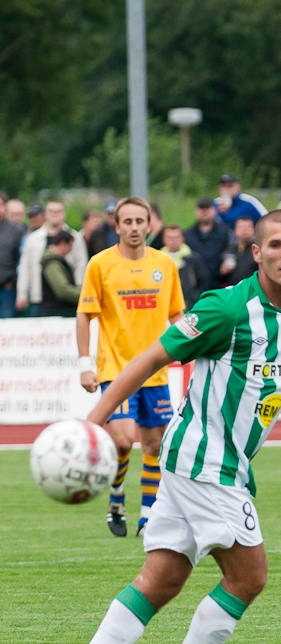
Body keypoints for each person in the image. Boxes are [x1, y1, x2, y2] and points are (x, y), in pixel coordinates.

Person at [48, 210, 281, 644]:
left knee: (164, 577)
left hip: (215, 464)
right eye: (273, 244)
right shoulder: (225, 308)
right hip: (204, 463)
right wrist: (93, 425)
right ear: (255, 253)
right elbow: (147, 359)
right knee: (249, 576)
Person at [77, 197, 185, 539]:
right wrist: (85, 365)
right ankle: (116, 495)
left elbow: (177, 315)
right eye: (128, 221)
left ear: (150, 224)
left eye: (141, 221)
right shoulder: (100, 264)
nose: (135, 227)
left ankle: (149, 514)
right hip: (116, 371)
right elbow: (84, 314)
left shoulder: (165, 265)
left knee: (154, 446)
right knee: (123, 441)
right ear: (117, 226)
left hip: (156, 373)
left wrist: (192, 346)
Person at [16, 200, 87, 316]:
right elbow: (25, 267)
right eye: (51, 211)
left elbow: (81, 265)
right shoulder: (33, 238)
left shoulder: (75, 237)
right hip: (39, 297)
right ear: (45, 214)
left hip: (67, 299)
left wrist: (80, 292)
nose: (55, 214)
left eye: (58, 211)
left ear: (64, 213)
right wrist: (22, 294)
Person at [161, 224, 211, 309]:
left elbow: (204, 282)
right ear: (163, 239)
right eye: (169, 237)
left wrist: (194, 298)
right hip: (165, 306)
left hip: (189, 306)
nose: (173, 240)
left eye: (176, 237)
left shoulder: (193, 259)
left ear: (182, 238)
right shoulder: (158, 259)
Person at [184, 198, 231, 288]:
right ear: (196, 211)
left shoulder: (225, 231)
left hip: (219, 282)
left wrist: (227, 261)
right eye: (201, 209)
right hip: (195, 284)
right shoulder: (188, 234)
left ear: (214, 210)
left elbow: (233, 248)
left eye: (207, 208)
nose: (204, 212)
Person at [40, 229, 81, 317]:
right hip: (57, 312)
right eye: (70, 246)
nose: (71, 250)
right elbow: (62, 290)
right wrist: (85, 296)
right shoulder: (52, 263)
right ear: (62, 244)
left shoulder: (54, 261)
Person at [0, 197, 24, 318]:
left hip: (6, 289)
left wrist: (12, 282)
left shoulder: (15, 231)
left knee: (6, 325)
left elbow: (21, 260)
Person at [220, 216, 258, 287]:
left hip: (253, 289)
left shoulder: (258, 250)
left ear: (254, 230)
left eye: (248, 227)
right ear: (235, 230)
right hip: (233, 290)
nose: (244, 230)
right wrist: (223, 271)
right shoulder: (230, 250)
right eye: (240, 227)